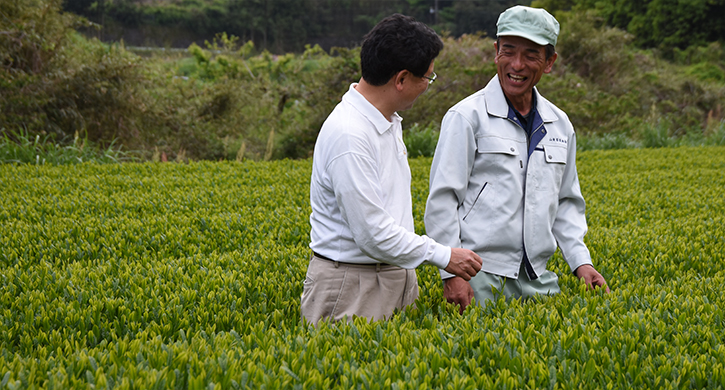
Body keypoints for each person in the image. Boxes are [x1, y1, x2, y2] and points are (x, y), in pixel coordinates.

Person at [424, 5, 610, 313]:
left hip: (539, 277)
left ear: (549, 62)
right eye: (508, 51)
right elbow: (443, 199)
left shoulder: (559, 124)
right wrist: (452, 273)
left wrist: (581, 262)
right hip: (479, 275)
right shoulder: (466, 117)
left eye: (531, 54)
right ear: (496, 51)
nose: (517, 64)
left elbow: (567, 202)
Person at [300, 14, 483, 325]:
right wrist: (444, 256)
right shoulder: (350, 135)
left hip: (391, 275)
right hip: (353, 285)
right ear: (401, 79)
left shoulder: (385, 119)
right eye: (427, 77)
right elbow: (373, 235)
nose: (428, 84)